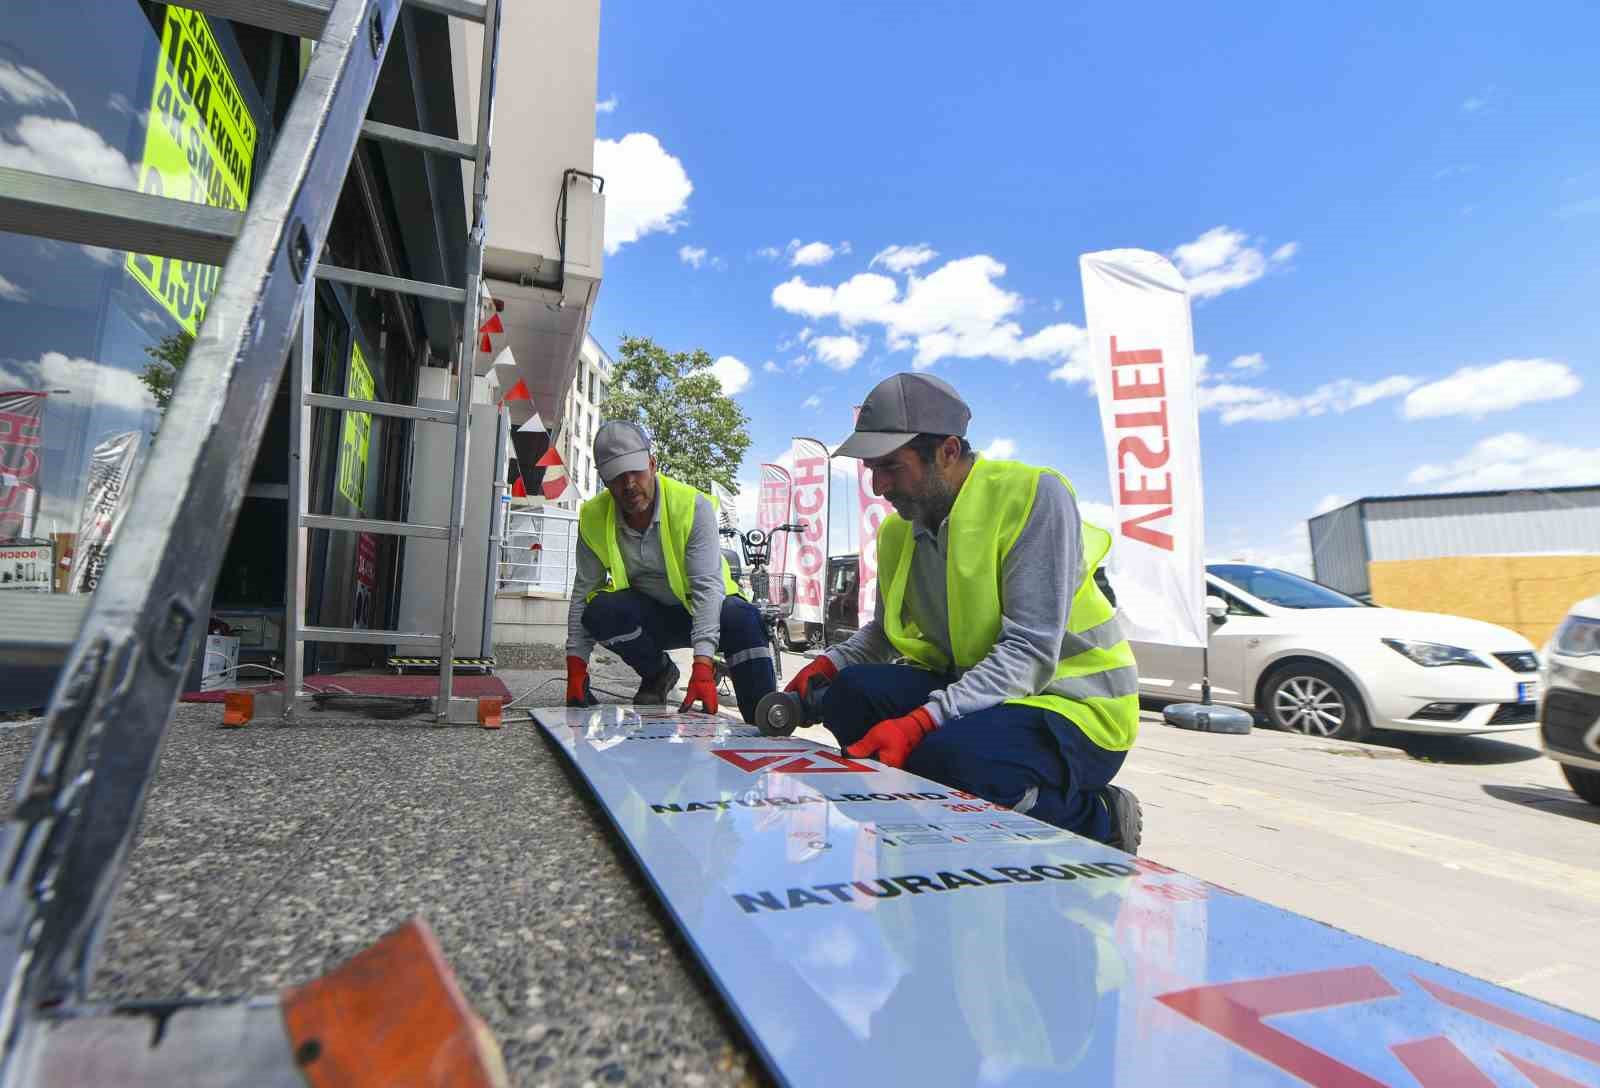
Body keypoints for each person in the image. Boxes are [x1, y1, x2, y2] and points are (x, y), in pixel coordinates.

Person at [783, 373, 1144, 852]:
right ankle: (921, 813)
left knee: (949, 759)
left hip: (1075, 705)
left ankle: (1099, 818)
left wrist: (920, 723)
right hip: (986, 694)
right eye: (872, 469)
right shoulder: (898, 533)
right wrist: (828, 665)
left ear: (948, 452)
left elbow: (1029, 653)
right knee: (848, 695)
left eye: (891, 467)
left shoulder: (1033, 497)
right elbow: (883, 635)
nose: (879, 485)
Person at [565, 420, 776, 722]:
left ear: (652, 464)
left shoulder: (692, 506)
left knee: (744, 618)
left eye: (635, 472)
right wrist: (575, 666)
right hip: (653, 620)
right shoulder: (594, 517)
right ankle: (658, 674)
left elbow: (707, 588)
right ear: (603, 480)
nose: (628, 485)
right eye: (616, 477)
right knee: (599, 610)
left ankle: (765, 715)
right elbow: (583, 591)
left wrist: (702, 665)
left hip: (708, 611)